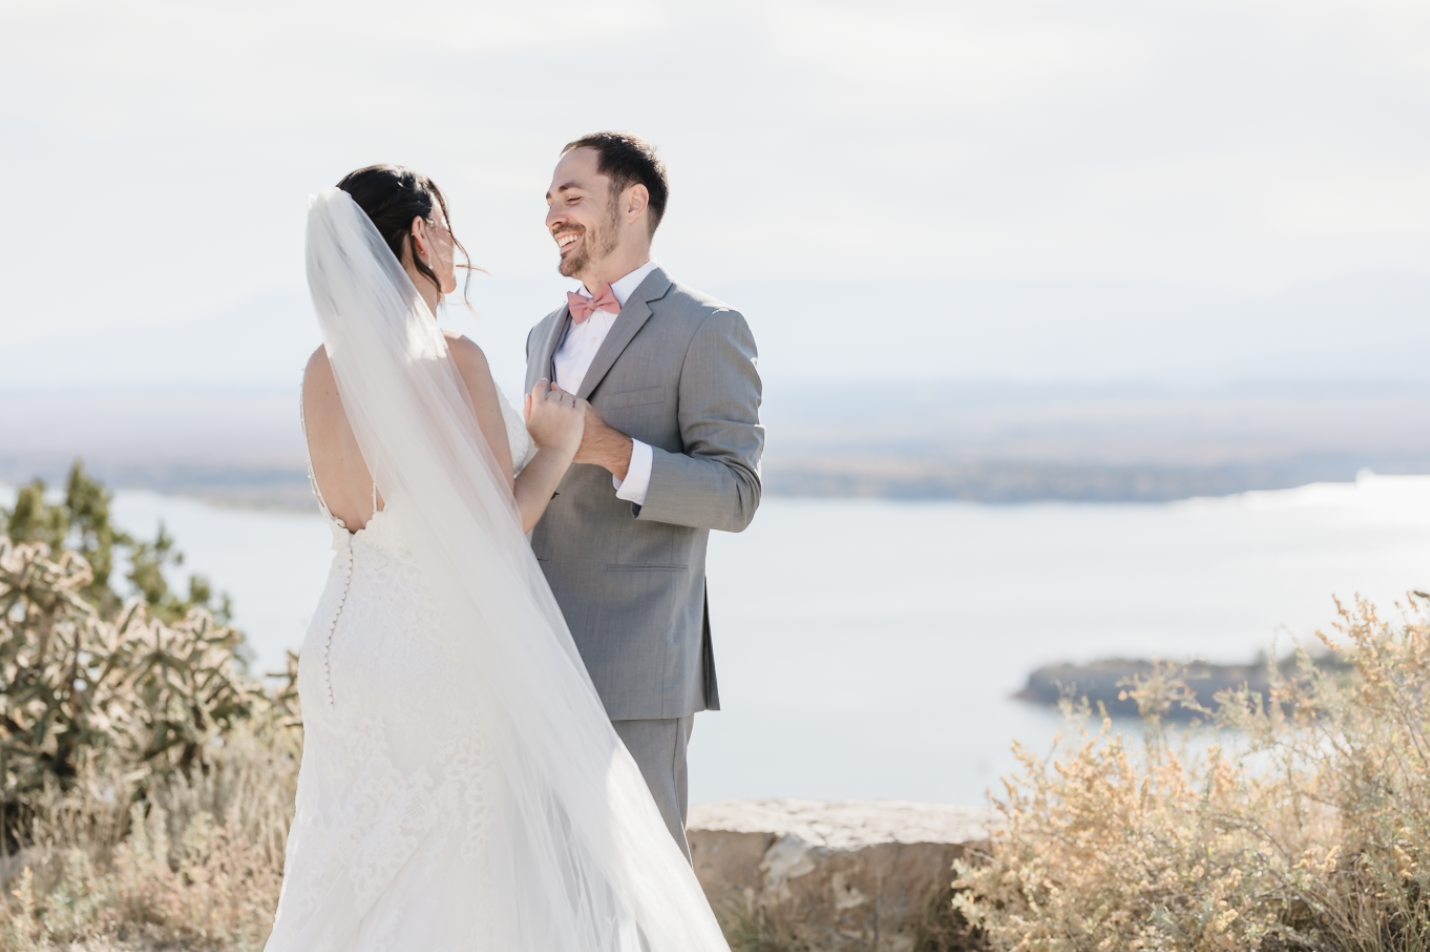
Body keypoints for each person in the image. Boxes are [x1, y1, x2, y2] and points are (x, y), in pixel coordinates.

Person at [265, 165, 730, 951]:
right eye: (445, 225)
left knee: (348, 862)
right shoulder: (455, 361)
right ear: (420, 236)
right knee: (446, 872)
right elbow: (497, 526)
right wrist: (556, 447)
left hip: (344, 649)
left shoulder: (323, 367)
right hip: (430, 651)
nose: (456, 242)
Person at [526, 132, 764, 857]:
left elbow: (736, 494)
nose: (553, 215)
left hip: (638, 657)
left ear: (633, 204)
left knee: (646, 880)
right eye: (548, 201)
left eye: (572, 196)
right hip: (533, 644)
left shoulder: (707, 328)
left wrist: (611, 451)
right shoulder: (542, 334)